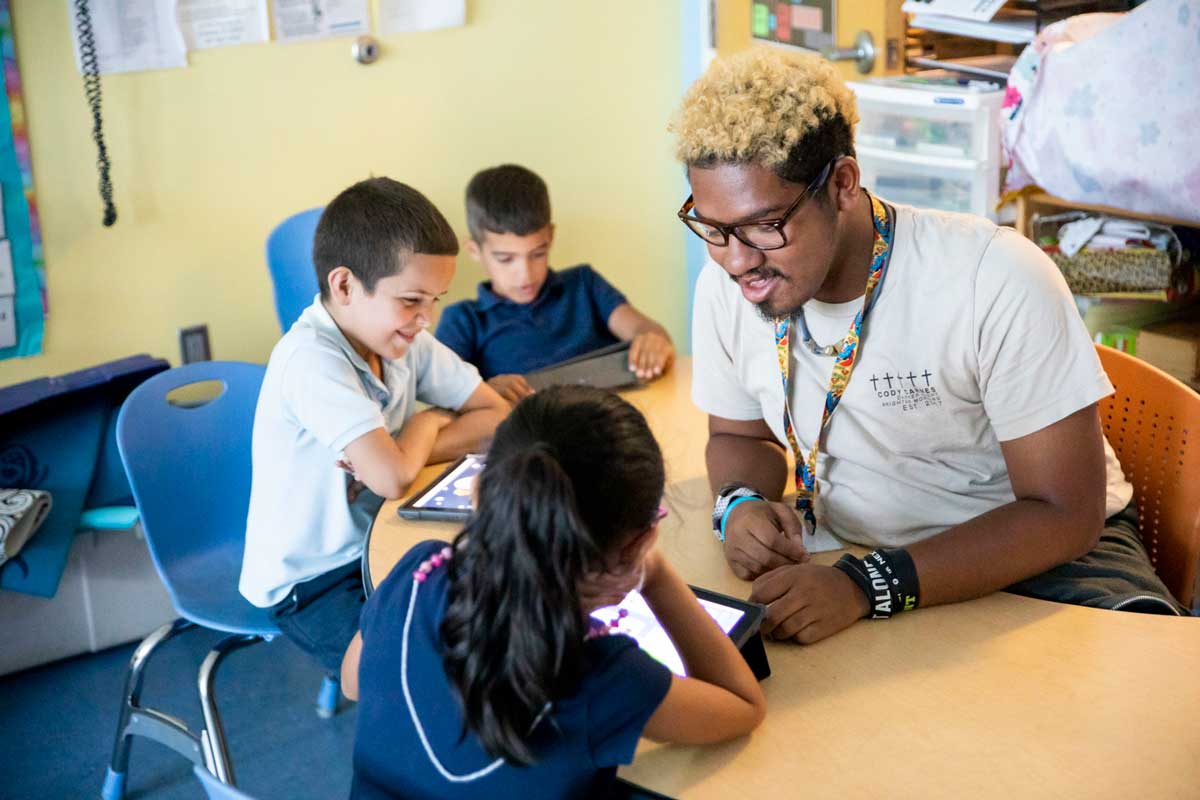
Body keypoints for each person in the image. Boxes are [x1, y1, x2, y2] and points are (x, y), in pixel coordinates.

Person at [671, 49, 1187, 644]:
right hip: (858, 553)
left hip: (1044, 560)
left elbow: (1064, 515)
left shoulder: (991, 276)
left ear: (841, 184)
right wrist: (739, 505)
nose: (737, 261)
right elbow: (739, 437)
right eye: (712, 227)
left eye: (766, 226)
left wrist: (869, 586)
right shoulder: (728, 286)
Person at [340, 386, 766, 799]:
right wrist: (652, 575)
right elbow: (744, 707)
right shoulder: (607, 679)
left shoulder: (420, 573)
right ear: (639, 543)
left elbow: (353, 682)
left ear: (480, 494)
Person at [239, 177, 509, 677]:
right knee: (408, 672)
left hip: (384, 537)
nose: (426, 318)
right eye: (411, 300)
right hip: (314, 577)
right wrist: (427, 423)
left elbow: (496, 419)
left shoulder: (403, 337)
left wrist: (400, 451)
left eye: (435, 300)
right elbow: (391, 479)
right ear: (343, 286)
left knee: (499, 617)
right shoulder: (310, 359)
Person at [435, 164, 675, 404]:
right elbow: (443, 398)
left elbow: (647, 331)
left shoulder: (584, 284)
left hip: (614, 420)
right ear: (474, 251)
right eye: (506, 259)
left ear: (550, 237)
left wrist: (652, 340)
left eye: (538, 253)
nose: (525, 275)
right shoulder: (463, 321)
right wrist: (483, 391)